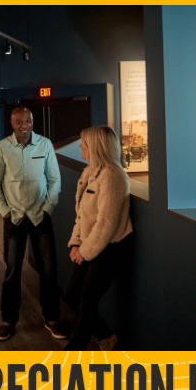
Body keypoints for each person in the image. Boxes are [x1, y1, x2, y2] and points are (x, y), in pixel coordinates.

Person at [0, 106, 65, 341]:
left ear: (33, 121)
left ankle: (52, 318)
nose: (25, 126)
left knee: (49, 271)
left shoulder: (44, 144)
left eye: (28, 121)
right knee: (12, 271)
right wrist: (4, 212)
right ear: (12, 124)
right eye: (19, 122)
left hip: (40, 217)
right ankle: (8, 320)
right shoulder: (2, 148)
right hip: (14, 219)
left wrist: (48, 209)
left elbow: (54, 180)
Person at [63, 126, 133, 351]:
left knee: (87, 301)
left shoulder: (113, 176)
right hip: (90, 245)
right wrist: (76, 243)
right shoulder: (91, 171)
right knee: (71, 296)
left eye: (84, 143)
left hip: (111, 248)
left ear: (96, 147)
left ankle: (75, 350)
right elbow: (82, 216)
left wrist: (83, 252)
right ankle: (107, 338)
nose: (81, 146)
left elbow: (106, 224)